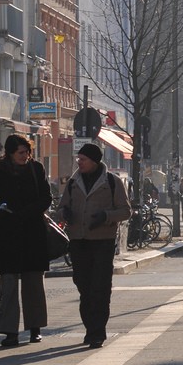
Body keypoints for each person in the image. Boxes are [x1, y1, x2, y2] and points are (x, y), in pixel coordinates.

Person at [0, 134, 52, 347]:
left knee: (33, 281)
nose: (25, 156)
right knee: (7, 282)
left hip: (32, 230)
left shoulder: (36, 169)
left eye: (27, 152)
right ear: (9, 153)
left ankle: (35, 328)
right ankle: (9, 331)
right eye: (20, 153)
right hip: (7, 232)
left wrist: (27, 212)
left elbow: (46, 197)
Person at [58, 143, 131, 349]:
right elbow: (62, 207)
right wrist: (65, 214)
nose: (79, 162)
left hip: (102, 242)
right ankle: (90, 326)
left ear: (95, 161)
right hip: (78, 240)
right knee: (83, 286)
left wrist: (106, 216)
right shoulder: (73, 182)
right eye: (78, 159)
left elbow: (126, 211)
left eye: (83, 159)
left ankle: (96, 332)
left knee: (100, 288)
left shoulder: (111, 181)